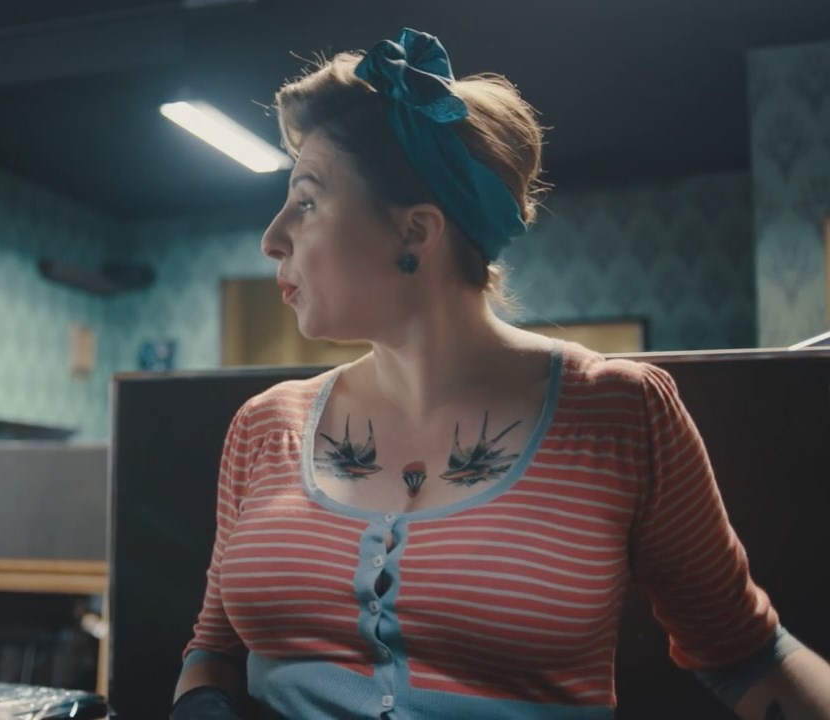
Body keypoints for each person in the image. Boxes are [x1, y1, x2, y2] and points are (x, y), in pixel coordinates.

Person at [172, 28, 830, 720]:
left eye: (306, 202)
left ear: (416, 231)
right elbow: (213, 649)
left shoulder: (621, 413)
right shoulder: (265, 426)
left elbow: (749, 658)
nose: (272, 238)